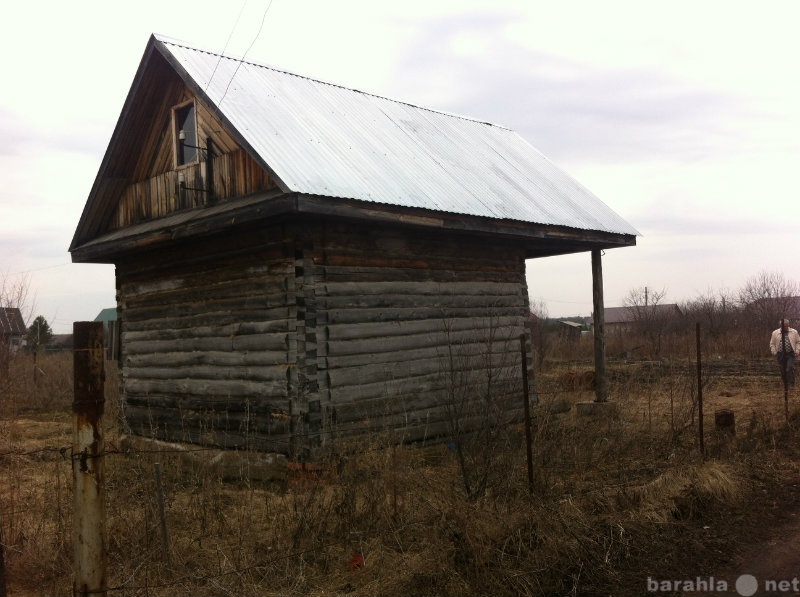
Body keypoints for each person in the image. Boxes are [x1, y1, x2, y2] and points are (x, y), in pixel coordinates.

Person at [769, 319, 800, 386]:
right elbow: (772, 344)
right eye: (783, 326)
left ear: (788, 325)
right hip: (780, 354)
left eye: (786, 326)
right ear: (781, 326)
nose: (785, 327)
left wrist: (797, 351)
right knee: (782, 370)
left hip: (791, 354)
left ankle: (791, 385)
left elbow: (798, 342)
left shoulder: (794, 332)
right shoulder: (775, 333)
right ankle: (785, 384)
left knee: (789, 368)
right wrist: (774, 352)